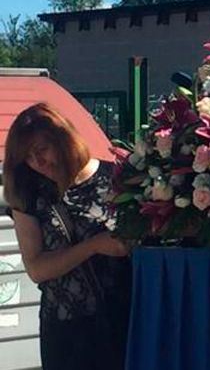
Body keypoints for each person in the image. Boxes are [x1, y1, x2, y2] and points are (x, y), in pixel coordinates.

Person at [2, 103, 131, 370]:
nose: (37, 163)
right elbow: (36, 269)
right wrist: (93, 246)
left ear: (63, 139)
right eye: (27, 157)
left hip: (126, 317)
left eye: (41, 150)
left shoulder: (116, 177)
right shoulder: (29, 193)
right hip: (66, 328)